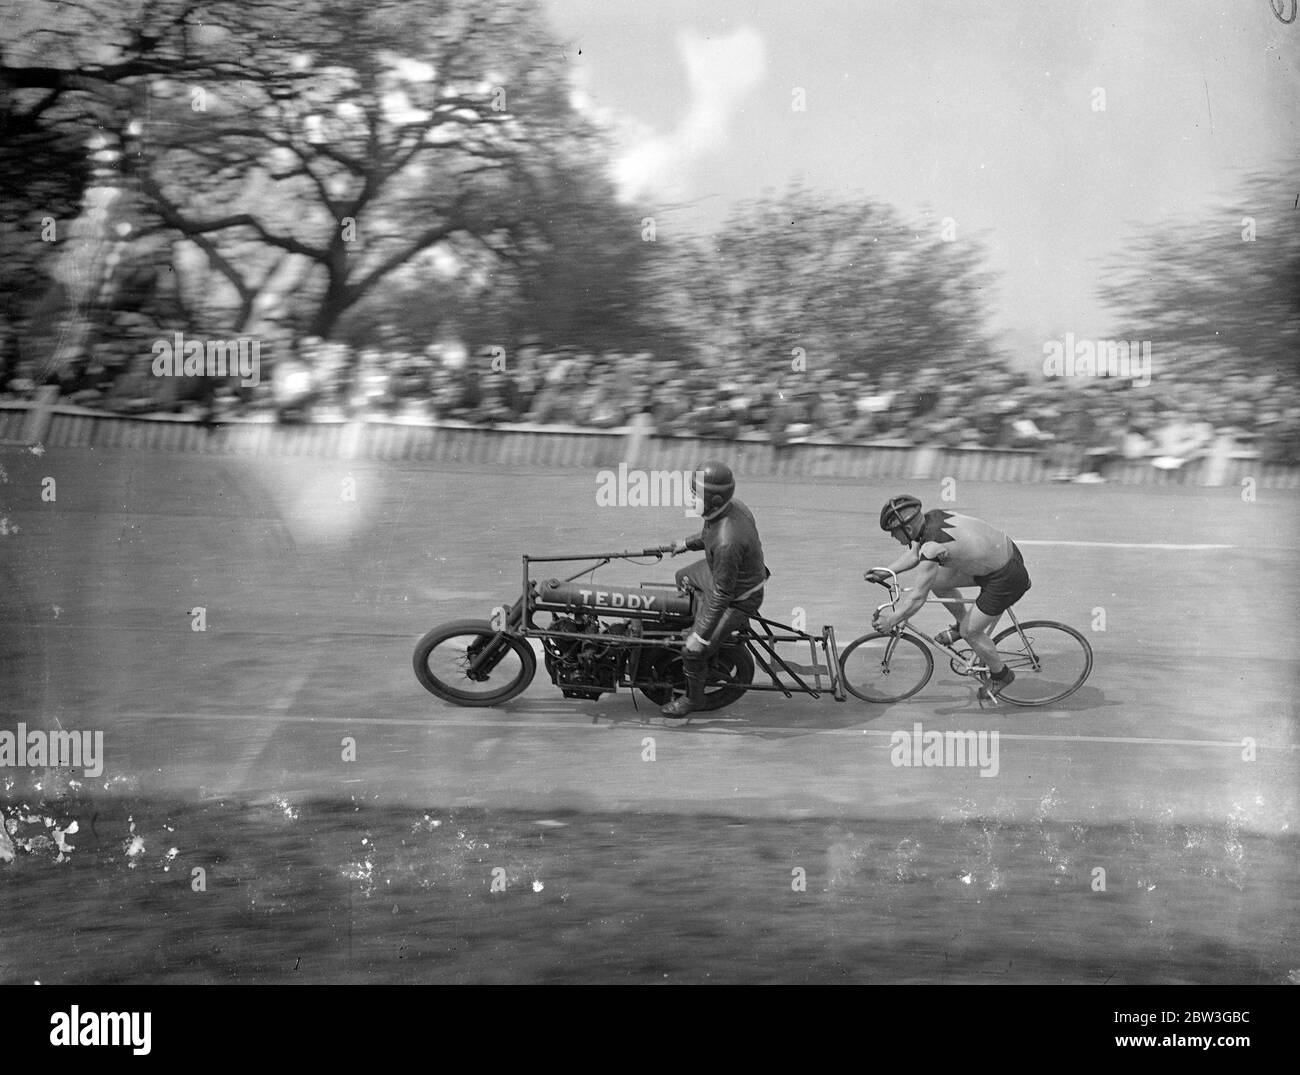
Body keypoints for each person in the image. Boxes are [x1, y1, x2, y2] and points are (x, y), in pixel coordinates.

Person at [865, 495, 1030, 699]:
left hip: (1006, 577)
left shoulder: (933, 546)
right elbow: (917, 552)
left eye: (893, 532)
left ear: (907, 529)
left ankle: (1000, 674)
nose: (893, 537)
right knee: (938, 581)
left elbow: (918, 597)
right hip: (1002, 554)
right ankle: (962, 622)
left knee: (971, 632)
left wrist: (893, 618)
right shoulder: (932, 518)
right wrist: (886, 571)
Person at [661, 460, 768, 718]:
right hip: (721, 576)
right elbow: (708, 532)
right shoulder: (731, 509)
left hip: (738, 599)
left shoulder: (726, 541)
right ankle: (699, 629)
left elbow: (722, 595)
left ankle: (693, 698)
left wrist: (700, 637)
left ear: (714, 500)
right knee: (682, 576)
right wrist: (685, 544)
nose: (691, 498)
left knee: (692, 650)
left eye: (695, 495)